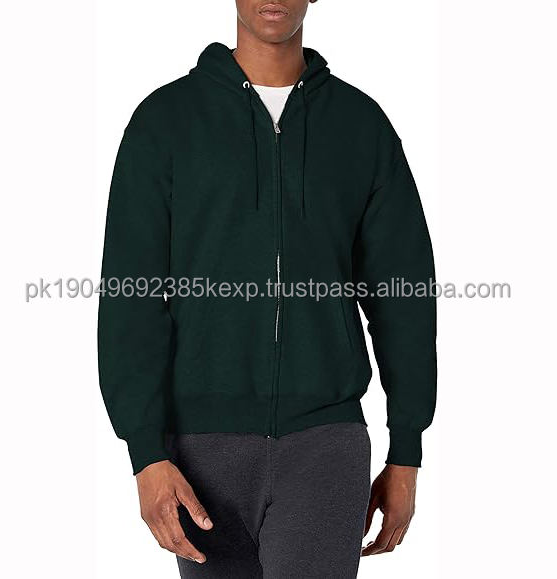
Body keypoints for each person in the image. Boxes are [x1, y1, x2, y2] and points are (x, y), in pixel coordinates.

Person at [98, 0, 437, 577]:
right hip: (201, 449)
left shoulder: (360, 124)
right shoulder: (166, 120)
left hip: (325, 443)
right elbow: (131, 298)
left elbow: (403, 295)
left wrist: (407, 449)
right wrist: (145, 452)